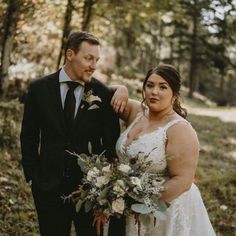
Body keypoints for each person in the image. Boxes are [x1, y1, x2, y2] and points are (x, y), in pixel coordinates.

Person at [20, 31, 127, 236]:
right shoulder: (38, 89)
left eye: (96, 60)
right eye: (88, 58)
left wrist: (103, 186)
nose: (93, 65)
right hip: (48, 188)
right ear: (70, 55)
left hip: (89, 192)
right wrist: (33, 176)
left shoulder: (103, 94)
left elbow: (110, 143)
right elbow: (29, 136)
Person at [114, 64, 216, 235]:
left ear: (174, 95)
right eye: (150, 85)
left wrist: (141, 201)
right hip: (128, 203)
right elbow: (104, 91)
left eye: (163, 87)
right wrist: (121, 88)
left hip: (164, 210)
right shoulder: (136, 112)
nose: (154, 92)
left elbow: (183, 181)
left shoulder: (179, 129)